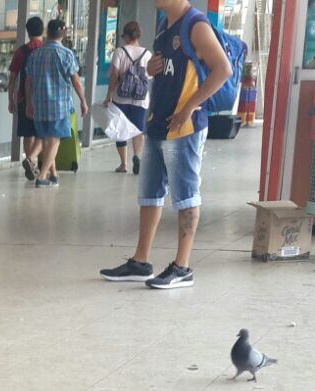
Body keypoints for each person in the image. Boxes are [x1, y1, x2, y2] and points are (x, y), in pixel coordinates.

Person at [98, 0, 231, 289]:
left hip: (184, 127)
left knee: (186, 195)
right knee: (149, 194)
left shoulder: (196, 25)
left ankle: (182, 267)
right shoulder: (163, 25)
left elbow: (223, 70)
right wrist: (152, 67)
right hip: (158, 122)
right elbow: (168, 69)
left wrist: (190, 107)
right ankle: (140, 261)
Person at [23, 19, 88, 188]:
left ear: (47, 32)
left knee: (46, 141)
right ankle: (42, 177)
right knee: (54, 141)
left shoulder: (35, 54)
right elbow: (76, 81)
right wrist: (83, 101)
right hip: (58, 106)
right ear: (63, 32)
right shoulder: (66, 54)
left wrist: (29, 102)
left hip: (39, 105)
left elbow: (28, 82)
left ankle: (53, 174)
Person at [105, 20, 150, 174]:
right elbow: (148, 77)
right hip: (140, 99)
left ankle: (123, 164)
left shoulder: (120, 51)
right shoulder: (147, 54)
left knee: (121, 129)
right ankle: (137, 156)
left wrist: (108, 96)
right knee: (138, 130)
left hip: (121, 97)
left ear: (125, 35)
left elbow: (114, 77)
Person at [6, 17, 46, 182]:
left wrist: (11, 99)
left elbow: (13, 78)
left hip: (24, 98)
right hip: (44, 100)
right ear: (42, 30)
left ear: (27, 32)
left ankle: (32, 163)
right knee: (43, 134)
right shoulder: (46, 49)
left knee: (27, 134)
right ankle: (32, 161)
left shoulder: (21, 51)